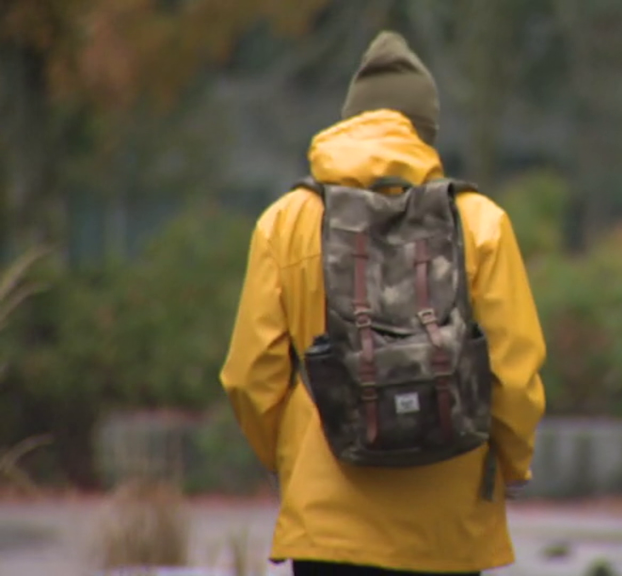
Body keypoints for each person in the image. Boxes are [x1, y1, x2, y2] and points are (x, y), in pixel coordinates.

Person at [219, 31, 547, 576]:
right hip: (448, 527)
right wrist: (510, 467)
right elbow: (514, 373)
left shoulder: (287, 221)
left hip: (329, 529)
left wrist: (288, 461)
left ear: (350, 120)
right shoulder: (480, 222)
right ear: (426, 133)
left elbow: (249, 377)